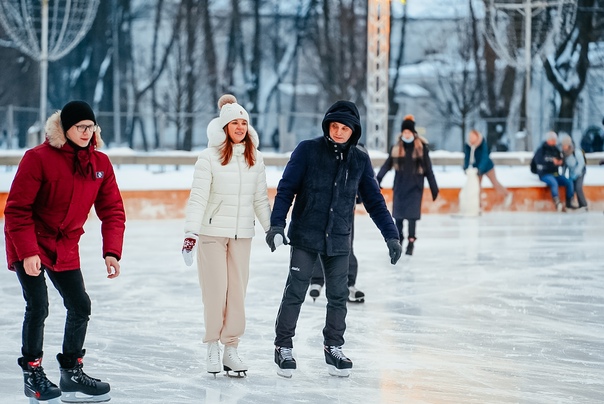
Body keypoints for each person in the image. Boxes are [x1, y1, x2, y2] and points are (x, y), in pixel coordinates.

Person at [266, 100, 402, 378]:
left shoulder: (360, 160)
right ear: (328, 125)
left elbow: (374, 202)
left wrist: (391, 236)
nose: (339, 132)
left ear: (354, 131)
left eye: (345, 128)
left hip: (339, 239)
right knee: (295, 292)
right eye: (335, 126)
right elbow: (286, 189)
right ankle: (283, 347)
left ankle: (333, 347)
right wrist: (277, 225)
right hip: (306, 234)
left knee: (338, 296)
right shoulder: (308, 150)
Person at [4, 100, 125, 403]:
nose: (86, 132)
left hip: (65, 244)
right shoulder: (38, 158)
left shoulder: (100, 164)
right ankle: (32, 373)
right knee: (39, 305)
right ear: (65, 129)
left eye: (90, 127)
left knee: (79, 304)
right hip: (29, 239)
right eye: (79, 127)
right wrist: (29, 252)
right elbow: (17, 211)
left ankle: (71, 372)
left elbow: (112, 210)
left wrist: (112, 250)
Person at [182, 94, 271, 378]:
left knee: (237, 295)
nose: (240, 127)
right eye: (235, 122)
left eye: (244, 122)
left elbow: (260, 199)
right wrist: (190, 233)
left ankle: (231, 348)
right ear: (224, 127)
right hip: (211, 234)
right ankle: (212, 346)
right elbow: (198, 198)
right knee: (215, 292)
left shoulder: (255, 158)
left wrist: (273, 229)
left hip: (242, 234)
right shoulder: (207, 158)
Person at [376, 115, 439, 256]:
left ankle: (411, 243)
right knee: (398, 217)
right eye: (404, 132)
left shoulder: (421, 148)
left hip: (415, 188)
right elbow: (387, 165)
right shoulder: (396, 148)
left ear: (413, 133)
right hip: (400, 187)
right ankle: (399, 241)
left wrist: (434, 188)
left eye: (409, 132)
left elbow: (428, 169)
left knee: (412, 218)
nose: (406, 134)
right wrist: (377, 179)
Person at [463, 129, 513, 208]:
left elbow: (484, 156)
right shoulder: (468, 146)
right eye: (470, 137)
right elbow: (467, 157)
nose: (471, 138)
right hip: (477, 168)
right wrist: (465, 167)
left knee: (495, 183)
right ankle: (478, 205)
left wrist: (481, 168)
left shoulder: (482, 143)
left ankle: (507, 194)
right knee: (477, 187)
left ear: (476, 136)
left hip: (487, 167)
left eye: (473, 136)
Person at [531, 131, 575, 211]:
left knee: (569, 181)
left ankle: (569, 202)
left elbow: (561, 159)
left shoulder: (556, 150)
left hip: (555, 173)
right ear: (549, 140)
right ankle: (557, 202)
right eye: (553, 140)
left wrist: (561, 162)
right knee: (553, 182)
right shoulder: (541, 150)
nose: (555, 142)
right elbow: (539, 162)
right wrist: (552, 162)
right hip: (545, 174)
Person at [560, 134, 588, 211]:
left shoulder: (576, 152)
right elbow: (564, 166)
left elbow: (581, 164)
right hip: (571, 174)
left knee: (578, 188)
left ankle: (584, 205)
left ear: (568, 145)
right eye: (562, 146)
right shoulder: (564, 154)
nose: (563, 147)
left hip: (580, 172)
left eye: (565, 145)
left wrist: (576, 173)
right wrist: (563, 175)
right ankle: (569, 205)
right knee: (571, 188)